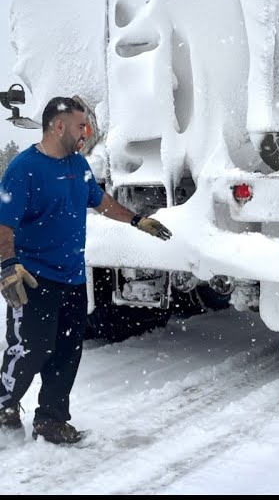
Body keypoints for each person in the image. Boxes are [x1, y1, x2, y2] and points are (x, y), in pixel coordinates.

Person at [0, 97, 173, 444]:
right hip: (34, 277)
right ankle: (3, 402)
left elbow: (99, 200)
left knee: (67, 350)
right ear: (58, 126)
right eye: (81, 125)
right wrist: (8, 267)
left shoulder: (78, 165)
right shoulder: (24, 169)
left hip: (73, 277)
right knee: (31, 348)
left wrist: (137, 220)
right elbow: (4, 224)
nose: (86, 132)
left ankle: (50, 419)